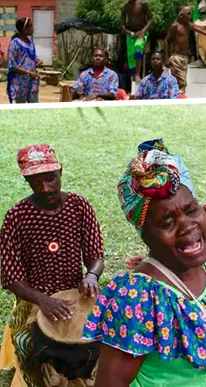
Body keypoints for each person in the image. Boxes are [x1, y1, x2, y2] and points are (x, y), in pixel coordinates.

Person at [84, 141, 206, 386]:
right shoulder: (137, 300)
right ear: (145, 235)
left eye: (191, 210)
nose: (187, 225)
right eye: (167, 222)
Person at [0, 145, 105, 387]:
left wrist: (91, 275)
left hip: (75, 294)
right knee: (27, 346)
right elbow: (11, 277)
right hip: (34, 299)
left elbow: (96, 255)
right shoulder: (16, 217)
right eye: (35, 182)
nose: (45, 188)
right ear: (26, 180)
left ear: (60, 171)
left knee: (102, 338)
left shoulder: (79, 206)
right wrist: (42, 300)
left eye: (50, 179)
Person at [164, 6, 202, 94]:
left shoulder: (188, 25)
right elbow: (166, 40)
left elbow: (202, 30)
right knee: (182, 83)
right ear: (181, 15)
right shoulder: (175, 26)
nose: (190, 15)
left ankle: (178, 99)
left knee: (181, 83)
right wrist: (166, 58)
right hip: (176, 57)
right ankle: (178, 100)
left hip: (184, 58)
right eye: (188, 13)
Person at [121, 0, 153, 85]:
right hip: (131, 34)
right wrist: (129, 33)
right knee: (130, 55)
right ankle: (133, 76)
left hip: (142, 32)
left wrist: (143, 31)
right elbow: (122, 25)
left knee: (138, 46)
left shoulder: (142, 4)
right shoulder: (125, 7)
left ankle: (138, 74)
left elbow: (151, 19)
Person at [6, 17, 40, 104]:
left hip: (32, 81)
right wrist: (28, 72)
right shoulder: (15, 43)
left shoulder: (31, 41)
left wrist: (37, 60)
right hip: (19, 83)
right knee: (21, 111)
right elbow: (12, 65)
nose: (33, 28)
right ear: (24, 29)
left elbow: (32, 56)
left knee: (34, 108)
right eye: (31, 26)